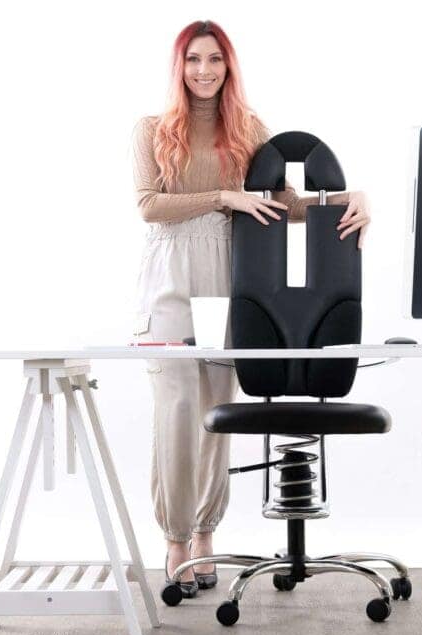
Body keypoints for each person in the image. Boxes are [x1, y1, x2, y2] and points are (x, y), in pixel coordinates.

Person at [131, 19, 372, 598]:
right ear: (179, 66)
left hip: (228, 274)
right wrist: (223, 197)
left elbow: (287, 206)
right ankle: (175, 539)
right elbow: (147, 205)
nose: (205, 70)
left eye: (215, 59)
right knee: (176, 408)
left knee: (217, 406)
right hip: (170, 272)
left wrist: (352, 197)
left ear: (228, 66)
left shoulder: (248, 130)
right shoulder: (151, 129)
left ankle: (207, 534)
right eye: (194, 59)